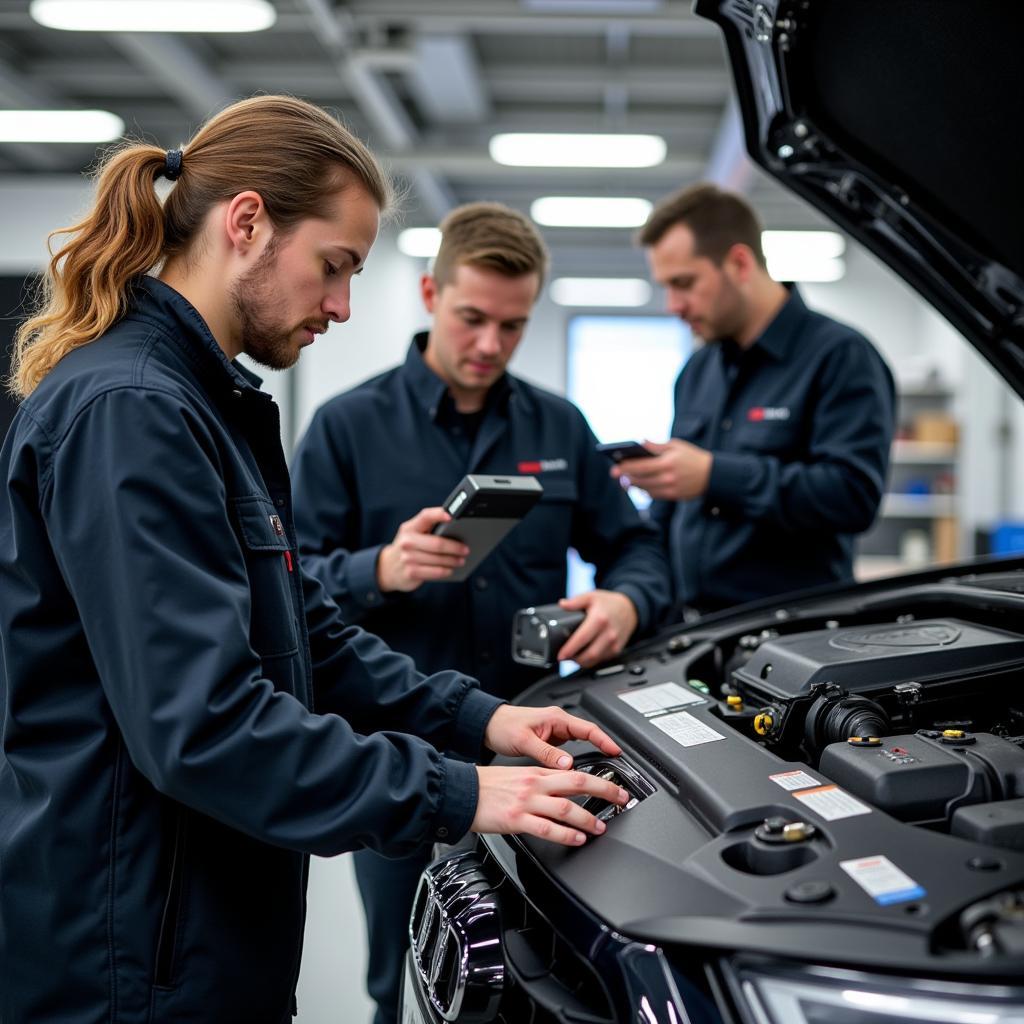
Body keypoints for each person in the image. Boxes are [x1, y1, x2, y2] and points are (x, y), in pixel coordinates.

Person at [0, 96, 631, 1024]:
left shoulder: (205, 403)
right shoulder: (132, 410)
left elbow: (303, 629)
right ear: (247, 221)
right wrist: (459, 792)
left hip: (197, 923)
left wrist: (482, 719)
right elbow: (203, 726)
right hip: (130, 949)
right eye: (334, 268)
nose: (341, 305)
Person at [291, 200, 671, 1023]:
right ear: (430, 294)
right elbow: (288, 584)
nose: (491, 344)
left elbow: (639, 548)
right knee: (397, 957)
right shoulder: (345, 428)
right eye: (472, 318)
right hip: (397, 751)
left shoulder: (559, 425)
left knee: (536, 966)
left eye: (514, 324)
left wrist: (627, 597)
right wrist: (379, 568)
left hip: (532, 736)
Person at [616, 182, 896, 615]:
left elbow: (852, 496)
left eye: (684, 283)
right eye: (665, 287)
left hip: (794, 637)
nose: (673, 305)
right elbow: (669, 515)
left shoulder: (840, 356)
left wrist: (713, 476)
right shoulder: (697, 371)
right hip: (692, 633)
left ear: (739, 263)